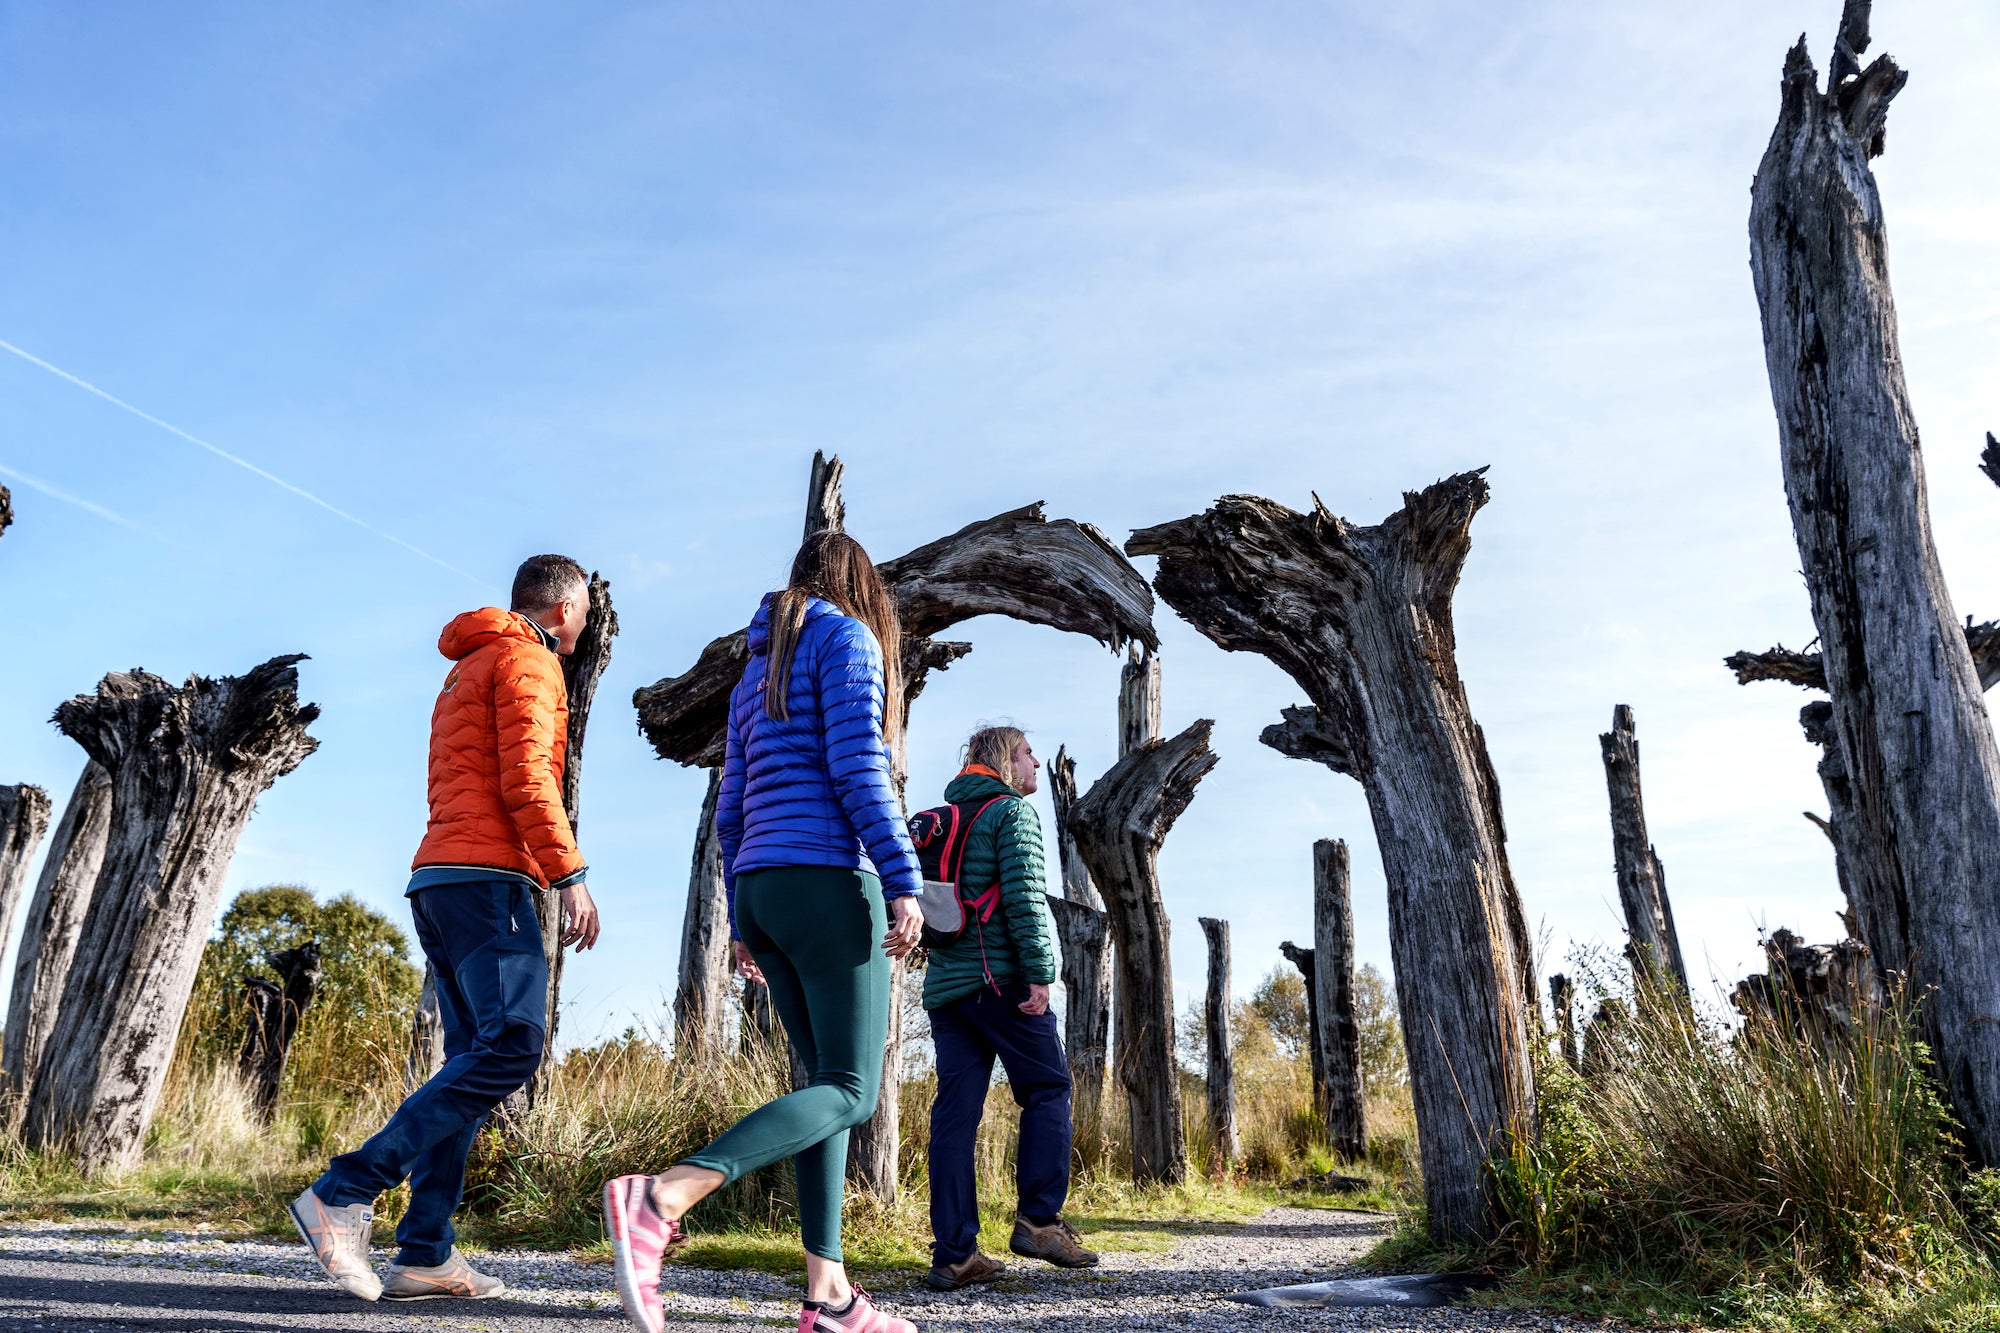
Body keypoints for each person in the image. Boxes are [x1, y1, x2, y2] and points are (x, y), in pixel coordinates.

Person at [602, 531, 926, 1333]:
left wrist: (744, 912)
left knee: (822, 1087)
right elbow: (860, 768)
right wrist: (903, 877)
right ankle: (665, 1194)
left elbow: (731, 803)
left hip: (764, 890)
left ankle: (830, 1296)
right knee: (852, 1089)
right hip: (825, 882)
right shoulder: (847, 639)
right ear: (861, 586)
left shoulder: (756, 672)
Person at [287, 554, 602, 1303]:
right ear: (562, 609)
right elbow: (528, 778)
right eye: (584, 610)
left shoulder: (470, 663)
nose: (586, 624)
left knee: (470, 1061)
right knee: (516, 1044)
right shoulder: (530, 660)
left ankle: (425, 1250)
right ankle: (343, 1189)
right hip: (490, 880)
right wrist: (570, 874)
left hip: (441, 878)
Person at [920, 726, 1099, 1292]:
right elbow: (1024, 898)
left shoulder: (932, 821)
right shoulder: (1010, 814)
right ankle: (1040, 1221)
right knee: (1048, 1088)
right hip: (1001, 982)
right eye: (1026, 752)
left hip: (947, 991)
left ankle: (954, 1254)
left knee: (955, 1115)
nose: (1037, 762)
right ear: (1003, 760)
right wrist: (1041, 975)